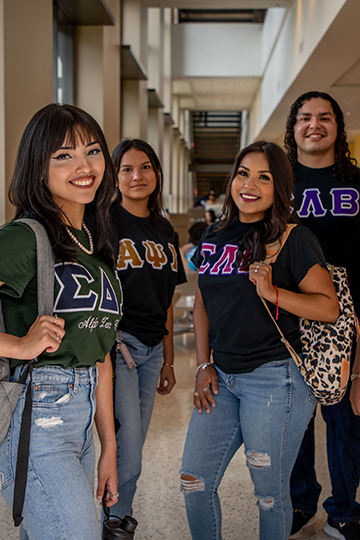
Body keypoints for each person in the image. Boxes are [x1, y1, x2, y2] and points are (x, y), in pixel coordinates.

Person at [180, 140, 339, 540]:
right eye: (243, 173)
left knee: (269, 495)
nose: (250, 184)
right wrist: (203, 364)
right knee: (193, 481)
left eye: (264, 177)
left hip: (276, 380)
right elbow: (203, 303)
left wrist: (273, 293)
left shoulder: (292, 238)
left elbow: (328, 307)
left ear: (279, 188)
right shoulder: (215, 233)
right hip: (222, 377)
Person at [0, 103, 122, 539]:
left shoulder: (97, 247)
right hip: (38, 416)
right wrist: (18, 345)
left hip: (84, 419)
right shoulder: (23, 237)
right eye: (64, 156)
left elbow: (101, 356)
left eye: (92, 151)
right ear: (37, 169)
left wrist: (109, 447)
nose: (84, 166)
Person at [284, 90, 360, 540]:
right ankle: (299, 501)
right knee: (294, 416)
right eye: (305, 117)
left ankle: (346, 508)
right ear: (293, 129)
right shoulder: (279, 182)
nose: (315, 124)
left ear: (338, 127)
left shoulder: (356, 181)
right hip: (289, 316)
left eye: (325, 117)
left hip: (344, 319)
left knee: (345, 419)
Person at [109, 138, 186, 520]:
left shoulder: (165, 229)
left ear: (156, 173)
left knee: (132, 449)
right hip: (120, 350)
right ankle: (116, 523)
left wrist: (169, 361)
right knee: (128, 450)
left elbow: (167, 300)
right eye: (126, 169)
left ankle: (118, 518)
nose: (137, 176)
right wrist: (110, 340)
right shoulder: (104, 223)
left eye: (145, 167)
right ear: (115, 175)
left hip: (153, 352)